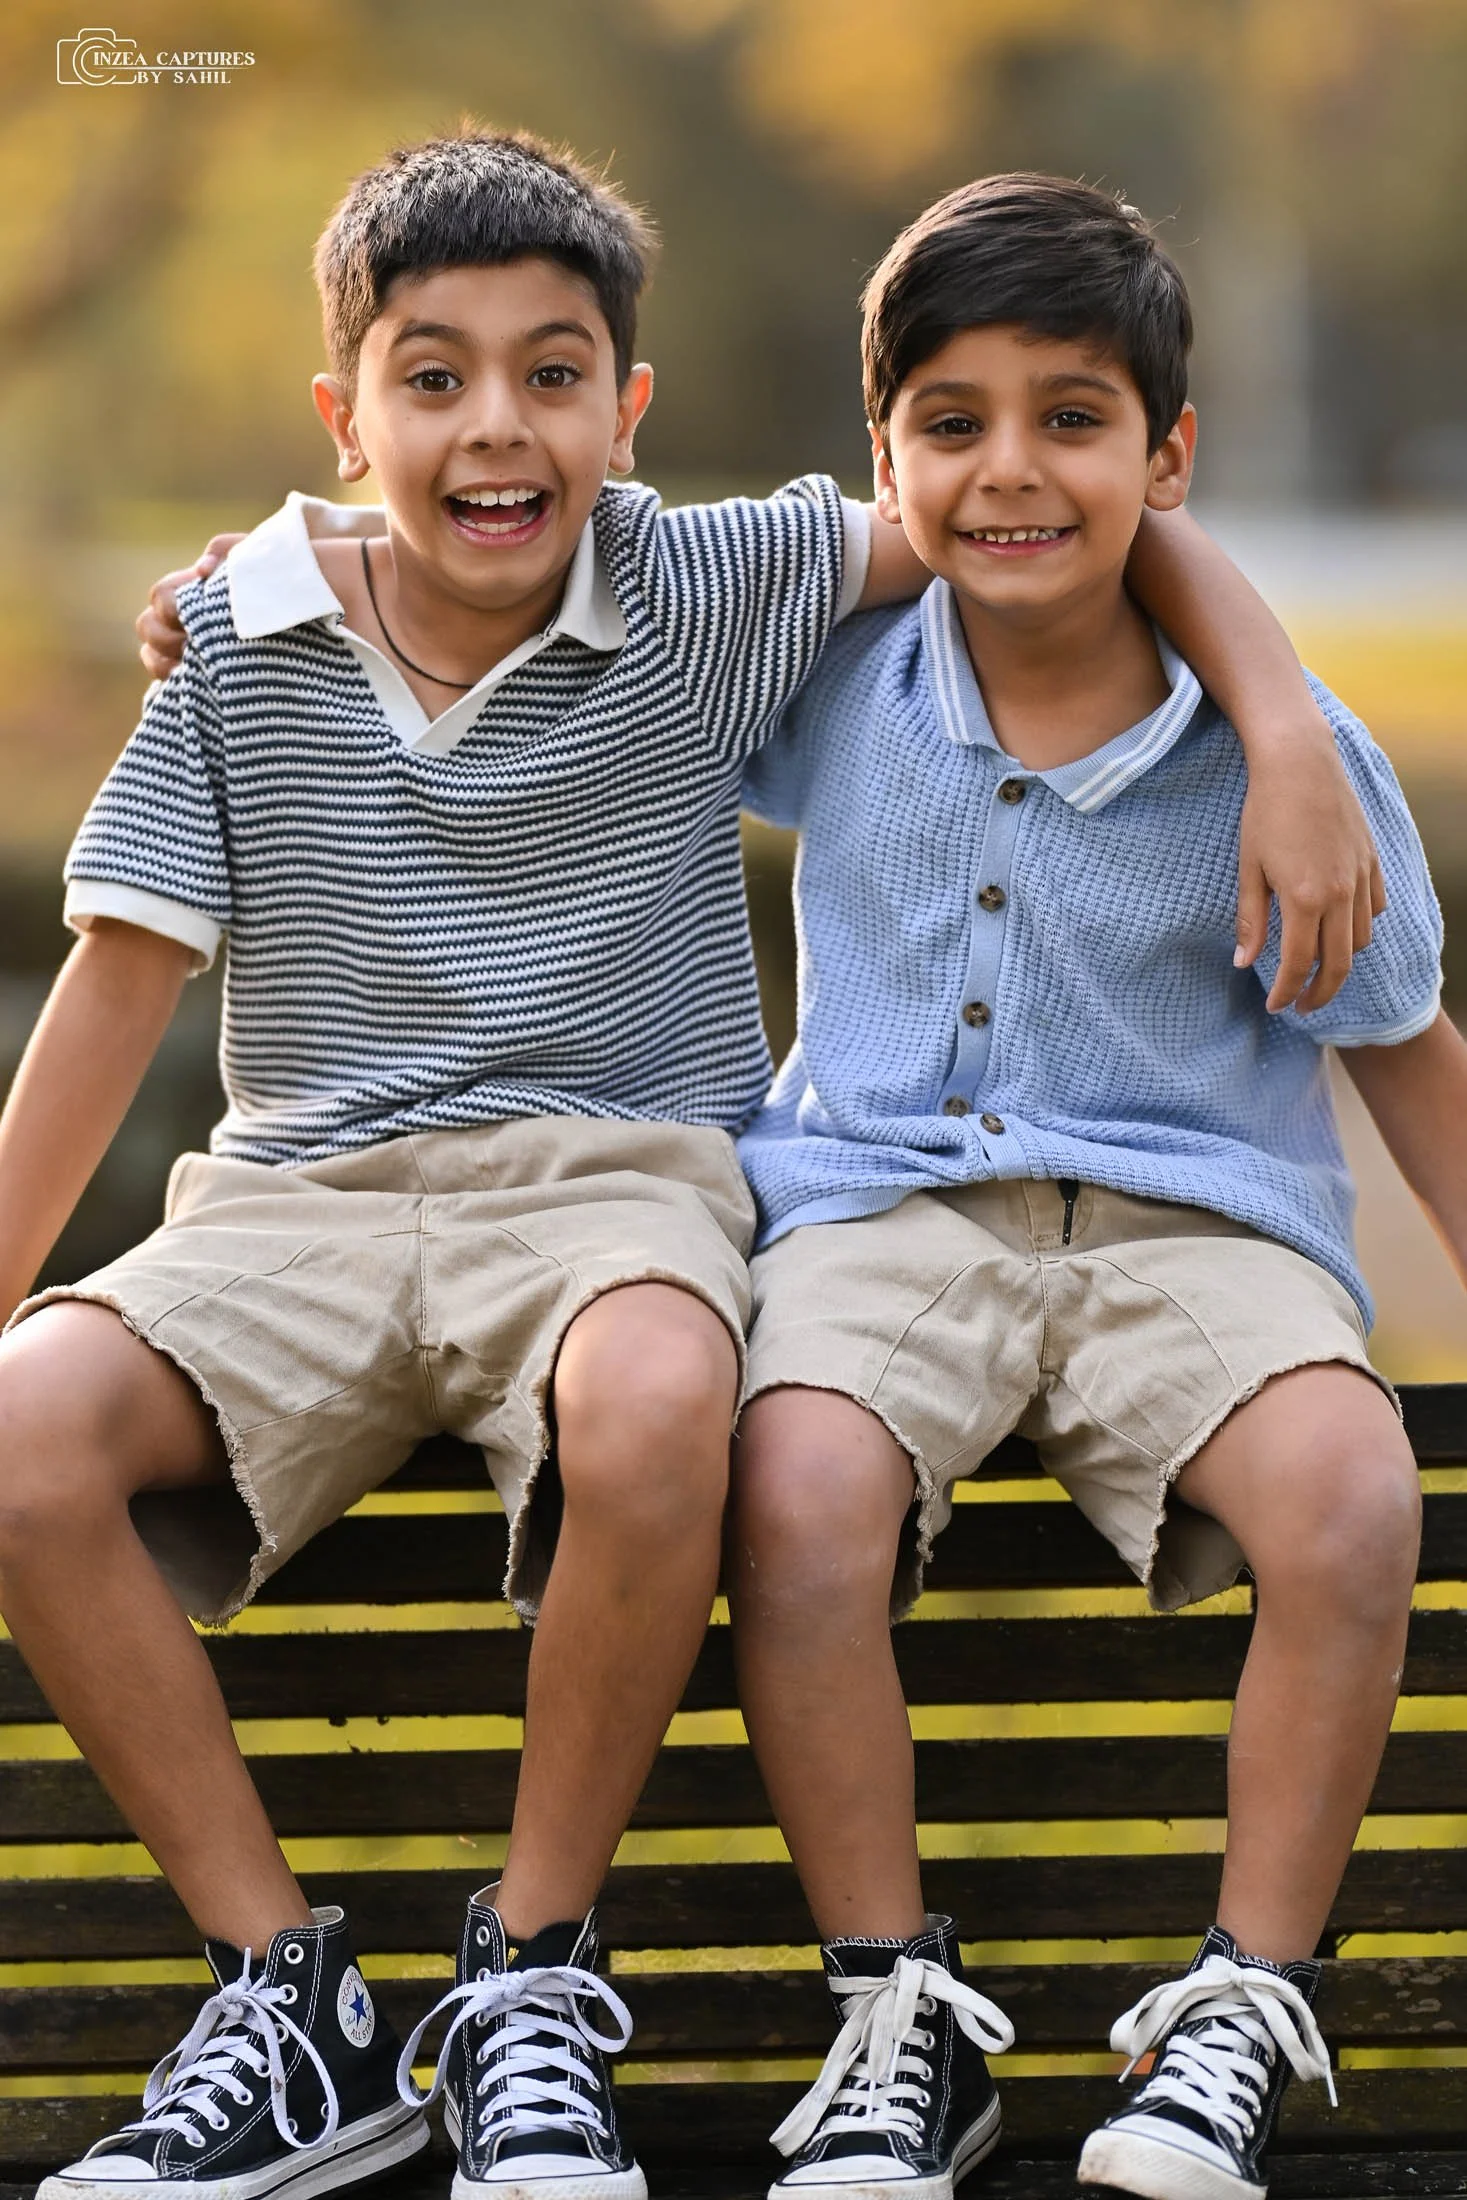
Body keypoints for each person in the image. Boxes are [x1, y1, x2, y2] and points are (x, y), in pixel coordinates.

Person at [3, 129, 1383, 2200]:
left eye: (553, 373)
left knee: (663, 1399)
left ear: (625, 412)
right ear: (344, 411)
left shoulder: (709, 583)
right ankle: (288, 1993)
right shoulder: (246, 646)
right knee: (16, 1434)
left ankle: (531, 1964)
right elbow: (109, 1003)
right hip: (298, 1198)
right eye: (433, 375)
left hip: (621, 1185)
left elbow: (1047, 509)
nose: (496, 425)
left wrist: (1275, 721)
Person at [726, 173, 1466, 2200]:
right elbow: (546, 596)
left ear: (1169, 454)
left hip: (1196, 1225)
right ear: (879, 460)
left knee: (1351, 1490)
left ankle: (1235, 1998)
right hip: (884, 1214)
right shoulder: (828, 672)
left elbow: (1405, 1055)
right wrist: (290, 570)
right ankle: (890, 2006)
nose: (1010, 469)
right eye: (948, 422)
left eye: (1073, 417)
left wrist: (1284, 728)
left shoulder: (1287, 763)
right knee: (791, 1491)